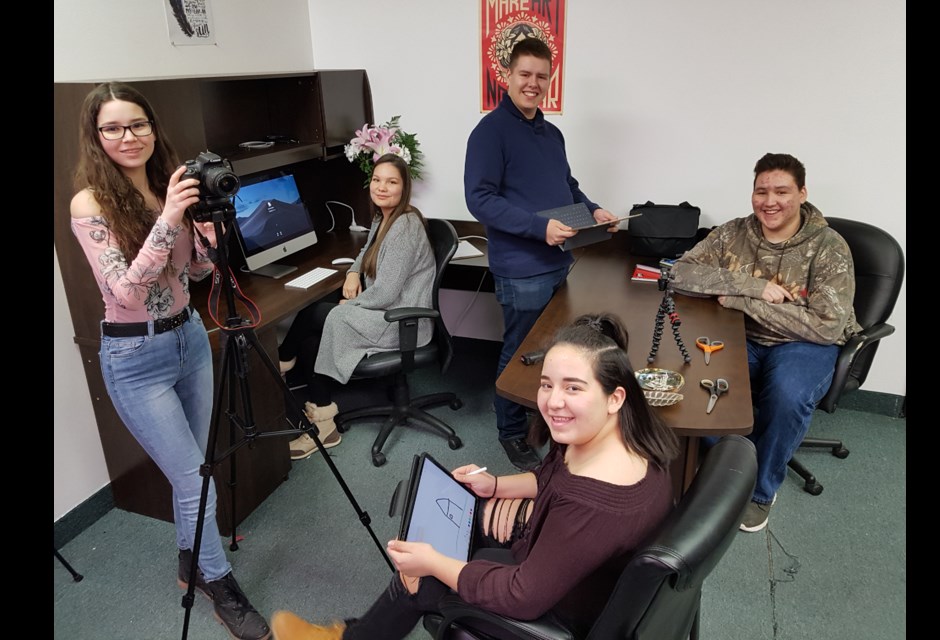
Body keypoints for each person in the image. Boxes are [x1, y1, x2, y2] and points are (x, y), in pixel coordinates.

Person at [269, 312, 680, 640]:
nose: (554, 402)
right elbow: (554, 478)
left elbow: (523, 597)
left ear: (615, 397)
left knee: (425, 574)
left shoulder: (596, 501)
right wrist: (499, 487)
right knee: (460, 514)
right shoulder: (618, 437)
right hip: (569, 566)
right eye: (547, 384)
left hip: (560, 606)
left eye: (573, 388)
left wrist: (435, 563)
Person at [69, 83, 270, 639]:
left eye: (137, 125)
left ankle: (190, 560)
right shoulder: (90, 203)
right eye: (112, 128)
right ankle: (219, 583)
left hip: (189, 340)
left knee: (197, 468)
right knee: (192, 477)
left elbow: (200, 274)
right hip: (135, 356)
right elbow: (127, 292)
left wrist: (205, 234)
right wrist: (171, 216)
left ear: (153, 129)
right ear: (96, 136)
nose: (127, 137)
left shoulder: (170, 185)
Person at [670, 153, 860, 532]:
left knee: (787, 395)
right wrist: (752, 287)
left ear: (802, 194)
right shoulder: (733, 233)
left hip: (804, 343)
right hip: (740, 337)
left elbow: (824, 326)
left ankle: (759, 490)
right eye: (761, 191)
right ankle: (737, 461)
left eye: (781, 191)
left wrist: (741, 302)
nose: (769, 201)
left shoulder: (829, 246)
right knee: (691, 384)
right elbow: (679, 274)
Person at [464, 37, 619, 471]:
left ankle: (541, 421)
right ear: (507, 76)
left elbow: (566, 187)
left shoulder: (552, 133)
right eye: (525, 74)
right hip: (521, 268)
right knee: (520, 352)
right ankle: (510, 432)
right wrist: (539, 227)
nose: (533, 83)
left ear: (550, 81)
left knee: (554, 352)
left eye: (541, 77)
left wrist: (593, 209)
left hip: (560, 260)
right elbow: (479, 199)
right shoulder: (489, 133)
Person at [277, 153, 436, 460]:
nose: (382, 187)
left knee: (322, 313)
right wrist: (353, 271)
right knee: (314, 336)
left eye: (392, 182)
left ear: (405, 188)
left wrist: (349, 304)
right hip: (384, 312)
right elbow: (367, 248)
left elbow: (387, 293)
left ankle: (284, 362)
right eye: (377, 180)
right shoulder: (384, 218)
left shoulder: (405, 226)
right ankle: (324, 422)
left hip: (400, 321)